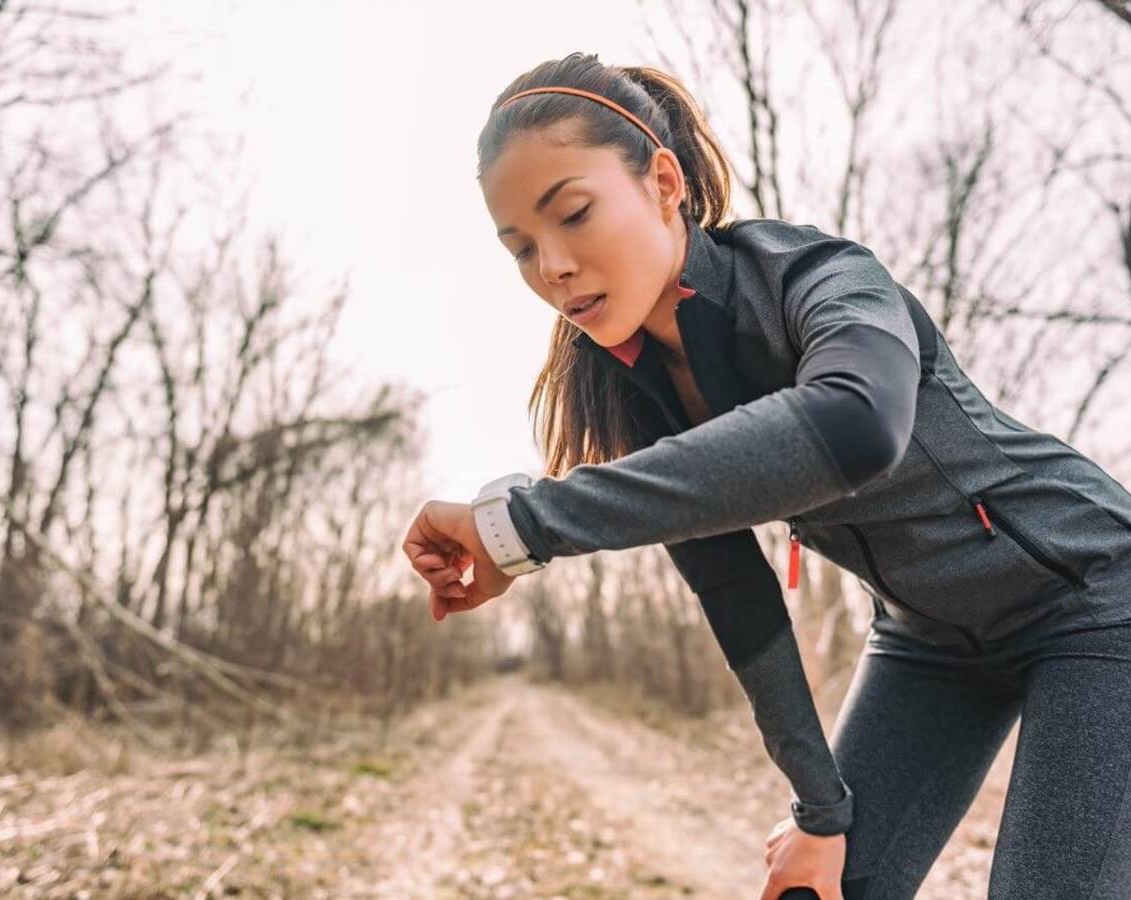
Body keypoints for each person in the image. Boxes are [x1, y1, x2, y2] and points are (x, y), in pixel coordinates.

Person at [401, 51, 1131, 900]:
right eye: (521, 247)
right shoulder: (639, 392)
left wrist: (522, 528)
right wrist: (820, 813)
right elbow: (738, 598)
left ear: (664, 182)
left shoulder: (819, 279)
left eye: (574, 214)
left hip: (1093, 597)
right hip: (929, 641)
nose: (551, 267)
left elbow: (856, 429)